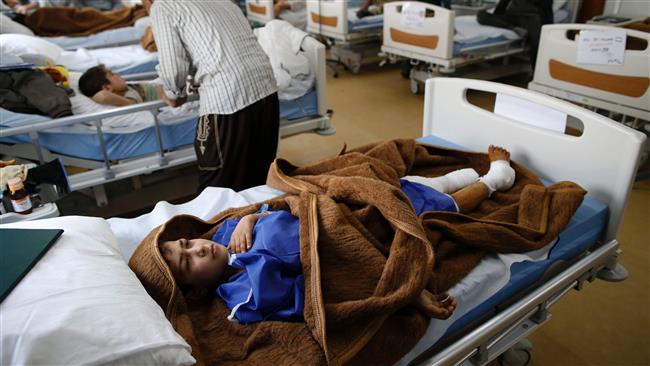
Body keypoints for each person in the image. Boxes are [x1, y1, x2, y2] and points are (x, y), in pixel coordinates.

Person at [160, 145, 516, 324]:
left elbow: (280, 205)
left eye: (188, 244)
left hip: (335, 204)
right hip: (357, 235)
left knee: (401, 186)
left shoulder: (225, 232)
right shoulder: (244, 295)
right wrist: (408, 291)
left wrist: (249, 220)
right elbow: (324, 290)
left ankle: (463, 173)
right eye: (187, 263)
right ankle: (497, 178)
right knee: (432, 212)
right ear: (195, 290)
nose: (197, 250)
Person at [142, 0, 279, 193]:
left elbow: (173, 69)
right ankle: (259, 220)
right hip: (266, 88)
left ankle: (224, 223)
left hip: (228, 100)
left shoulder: (162, 6)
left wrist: (173, 92)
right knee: (259, 177)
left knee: (216, 189)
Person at [78, 64, 161, 107]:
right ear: (107, 88)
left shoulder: (126, 89)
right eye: (112, 74)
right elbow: (103, 96)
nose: (117, 74)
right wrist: (95, 96)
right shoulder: (129, 96)